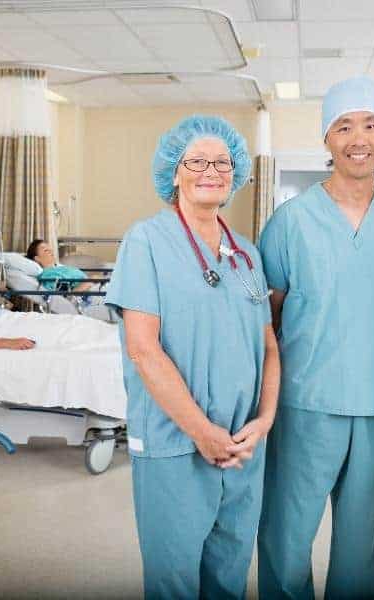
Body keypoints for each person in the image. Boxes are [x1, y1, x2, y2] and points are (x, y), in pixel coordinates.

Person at [256, 76, 374, 599]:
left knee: (361, 546)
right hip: (304, 402)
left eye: (371, 125)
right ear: (327, 140)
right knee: (287, 535)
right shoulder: (289, 223)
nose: (359, 137)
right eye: (344, 126)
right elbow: (269, 320)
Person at [104, 115, 280, 599]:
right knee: (174, 580)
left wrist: (264, 420)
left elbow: (268, 345)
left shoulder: (247, 253)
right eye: (196, 160)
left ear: (236, 173)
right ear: (174, 173)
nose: (211, 170)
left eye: (222, 162)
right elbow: (143, 349)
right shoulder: (146, 242)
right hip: (175, 441)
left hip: (243, 442)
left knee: (229, 571)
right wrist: (203, 431)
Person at [25, 239, 95, 293]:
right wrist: (90, 281)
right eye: (46, 250)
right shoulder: (47, 275)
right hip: (89, 294)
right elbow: (68, 296)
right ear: (37, 258)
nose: (51, 251)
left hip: (93, 288)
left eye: (50, 249)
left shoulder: (59, 268)